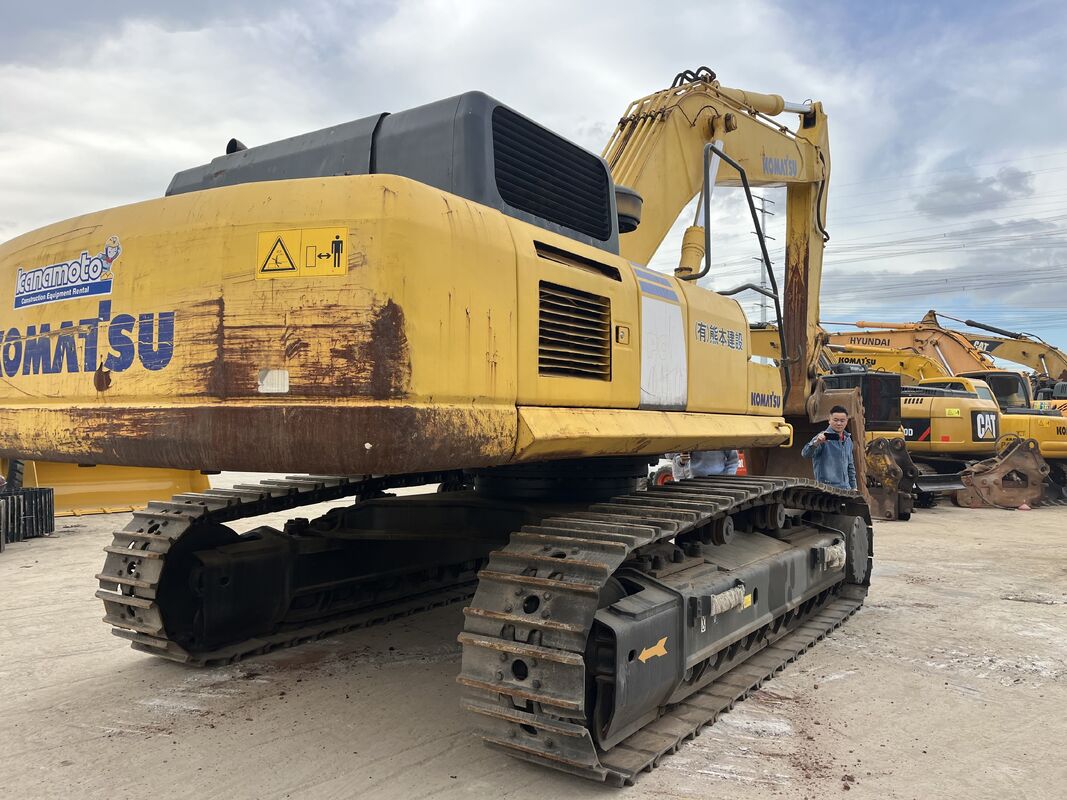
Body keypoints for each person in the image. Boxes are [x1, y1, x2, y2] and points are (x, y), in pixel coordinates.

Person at [801, 405, 857, 490]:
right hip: (827, 489)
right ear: (829, 421)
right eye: (835, 420)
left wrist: (854, 488)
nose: (839, 423)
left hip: (846, 489)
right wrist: (817, 443)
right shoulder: (822, 438)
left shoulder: (847, 440)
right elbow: (805, 454)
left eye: (842, 420)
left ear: (846, 421)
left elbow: (850, 466)